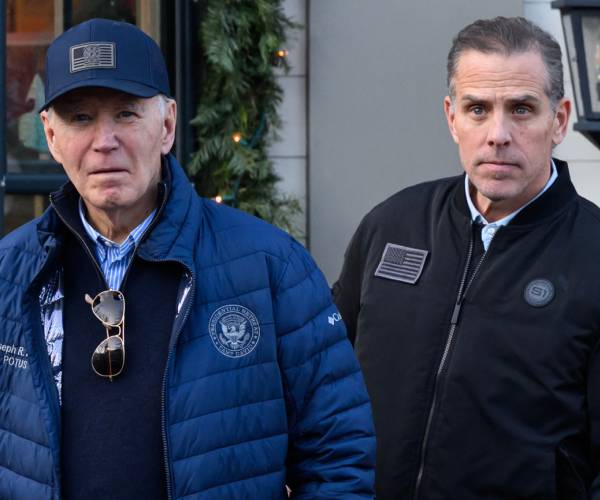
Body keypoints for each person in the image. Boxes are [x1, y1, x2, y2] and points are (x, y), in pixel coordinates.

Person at [0, 18, 375, 499]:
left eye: (127, 114)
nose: (104, 140)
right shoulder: (13, 273)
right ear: (50, 136)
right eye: (79, 118)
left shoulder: (270, 266)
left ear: (168, 125)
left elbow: (337, 453)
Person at [333, 16, 600, 500]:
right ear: (451, 117)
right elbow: (323, 379)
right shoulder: (392, 224)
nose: (497, 133)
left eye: (521, 109)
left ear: (558, 120)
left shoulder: (594, 253)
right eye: (478, 109)